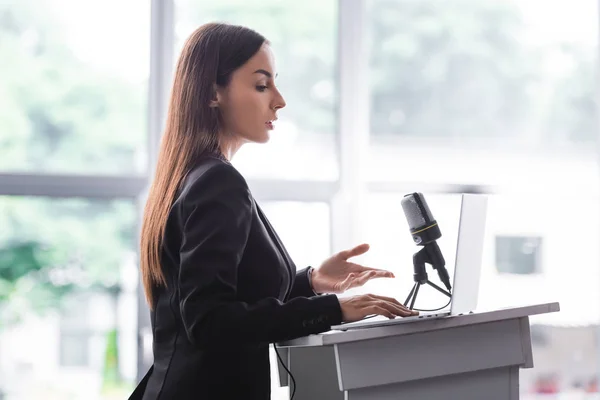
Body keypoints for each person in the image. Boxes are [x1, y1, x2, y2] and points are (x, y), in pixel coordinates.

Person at [130, 22, 417, 400]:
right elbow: (209, 321)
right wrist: (334, 309)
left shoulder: (193, 175)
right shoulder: (217, 182)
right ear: (213, 93)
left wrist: (311, 281)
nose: (279, 100)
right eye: (262, 85)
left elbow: (228, 299)